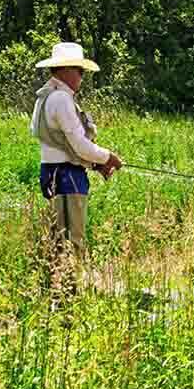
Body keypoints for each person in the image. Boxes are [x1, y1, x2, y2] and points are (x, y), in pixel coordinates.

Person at [29, 42, 123, 251]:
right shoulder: (62, 99)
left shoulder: (43, 98)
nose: (82, 76)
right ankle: (72, 283)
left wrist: (94, 165)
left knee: (57, 241)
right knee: (73, 243)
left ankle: (56, 281)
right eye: (80, 71)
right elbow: (79, 145)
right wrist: (109, 158)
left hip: (50, 172)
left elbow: (60, 144)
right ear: (65, 70)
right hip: (67, 176)